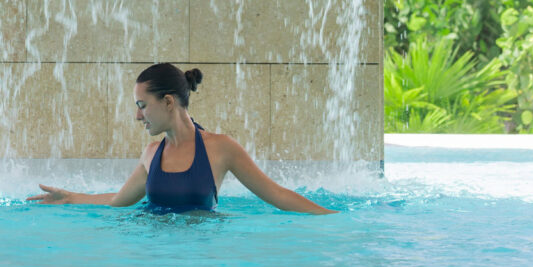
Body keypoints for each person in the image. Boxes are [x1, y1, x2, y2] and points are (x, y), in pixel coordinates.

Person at [26, 63, 337, 214]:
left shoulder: (221, 148)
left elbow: (277, 195)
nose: (138, 116)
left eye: (142, 105)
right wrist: (69, 197)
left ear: (169, 102)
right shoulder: (151, 154)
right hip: (154, 259)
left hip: (199, 263)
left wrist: (333, 219)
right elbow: (117, 201)